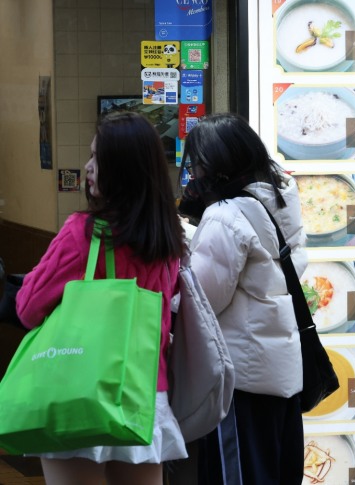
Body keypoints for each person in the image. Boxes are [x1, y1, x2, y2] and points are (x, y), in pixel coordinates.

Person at [15, 112, 188, 484]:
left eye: (98, 159)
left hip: (79, 390)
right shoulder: (169, 240)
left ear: (122, 169)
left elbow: (28, 309)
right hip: (144, 396)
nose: (88, 167)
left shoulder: (83, 233)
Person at [180, 112, 306, 484]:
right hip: (281, 374)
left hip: (242, 382)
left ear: (215, 164)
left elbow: (203, 301)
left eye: (198, 163)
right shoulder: (279, 200)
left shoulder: (225, 215)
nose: (194, 174)